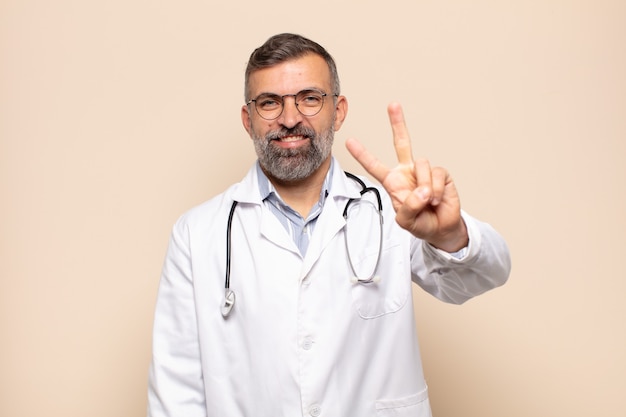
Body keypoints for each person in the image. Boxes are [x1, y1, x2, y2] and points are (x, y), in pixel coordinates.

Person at [147, 33, 511, 417]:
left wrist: (448, 234)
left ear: (337, 111)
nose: (290, 119)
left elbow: (480, 278)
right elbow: (176, 391)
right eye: (269, 103)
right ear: (248, 119)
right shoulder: (197, 234)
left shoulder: (394, 210)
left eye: (309, 98)